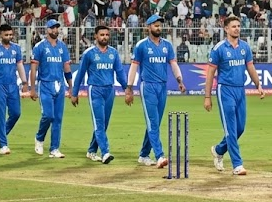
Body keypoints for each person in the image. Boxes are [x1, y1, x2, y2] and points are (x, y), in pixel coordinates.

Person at [204, 16, 264, 175]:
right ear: (226, 29)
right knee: (231, 129)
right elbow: (210, 73)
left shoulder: (245, 47)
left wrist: (258, 84)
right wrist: (207, 97)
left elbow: (250, 67)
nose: (237, 29)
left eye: (238, 26)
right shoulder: (219, 48)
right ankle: (237, 164)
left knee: (240, 128)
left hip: (240, 90)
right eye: (233, 26)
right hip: (225, 90)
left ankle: (218, 150)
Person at [127, 15, 186, 168]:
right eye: (155, 25)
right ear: (148, 27)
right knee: (153, 122)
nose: (158, 28)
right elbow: (133, 67)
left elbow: (173, 64)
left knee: (155, 123)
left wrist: (179, 80)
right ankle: (160, 155)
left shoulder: (167, 45)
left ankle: (143, 154)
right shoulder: (141, 46)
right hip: (148, 86)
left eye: (160, 25)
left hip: (162, 86)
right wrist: (129, 88)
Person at [71, 25, 129, 164]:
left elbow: (120, 72)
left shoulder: (113, 53)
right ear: (96, 36)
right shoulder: (89, 53)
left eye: (107, 35)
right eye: (102, 35)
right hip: (95, 90)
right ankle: (105, 152)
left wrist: (127, 88)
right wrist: (74, 93)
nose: (104, 37)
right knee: (99, 123)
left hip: (110, 90)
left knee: (104, 124)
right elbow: (80, 74)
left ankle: (91, 151)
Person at [0, 23, 30, 155]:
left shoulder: (16, 48)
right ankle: (3, 144)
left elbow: (20, 66)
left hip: (13, 85)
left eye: (10, 34)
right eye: (6, 35)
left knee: (16, 113)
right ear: (1, 35)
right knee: (0, 115)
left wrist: (25, 81)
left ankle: (3, 132)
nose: (9, 37)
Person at [31, 19, 72, 158]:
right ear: (47, 30)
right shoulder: (40, 47)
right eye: (53, 28)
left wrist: (71, 86)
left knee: (58, 118)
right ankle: (39, 138)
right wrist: (32, 88)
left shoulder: (62, 47)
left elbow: (66, 67)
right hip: (45, 84)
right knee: (48, 115)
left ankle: (54, 148)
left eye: (57, 28)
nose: (55, 30)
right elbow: (34, 68)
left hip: (59, 85)